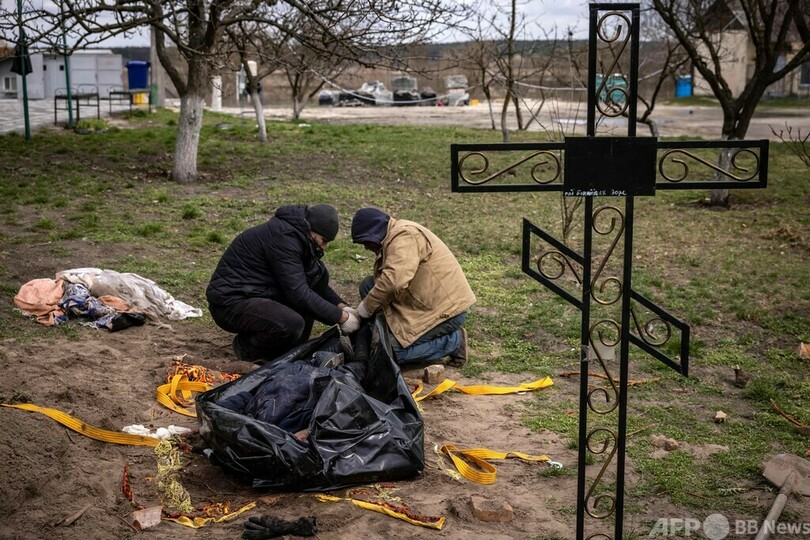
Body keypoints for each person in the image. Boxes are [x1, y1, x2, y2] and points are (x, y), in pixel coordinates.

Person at [206, 204, 360, 363]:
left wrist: (341, 306)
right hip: (230, 302)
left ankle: (283, 353)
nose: (324, 247)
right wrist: (341, 317)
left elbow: (314, 282)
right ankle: (247, 349)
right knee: (290, 323)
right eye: (323, 241)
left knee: (306, 311)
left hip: (257, 294)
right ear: (311, 230)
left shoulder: (300, 238)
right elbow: (298, 293)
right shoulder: (284, 239)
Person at [350, 207, 475, 367]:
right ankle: (384, 331)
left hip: (446, 311)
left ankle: (454, 341)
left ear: (374, 232)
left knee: (392, 352)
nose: (366, 248)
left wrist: (364, 310)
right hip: (424, 300)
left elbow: (394, 282)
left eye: (365, 242)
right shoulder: (392, 237)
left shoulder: (405, 236)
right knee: (368, 285)